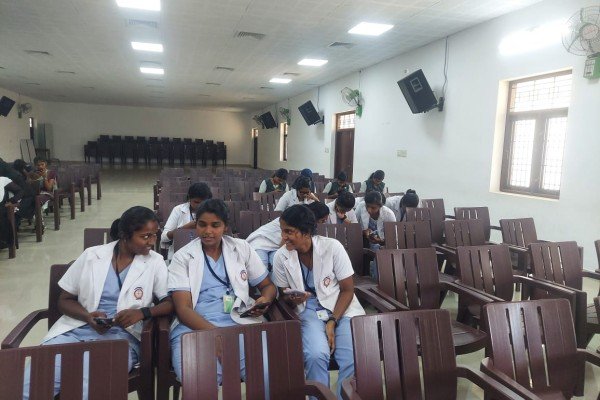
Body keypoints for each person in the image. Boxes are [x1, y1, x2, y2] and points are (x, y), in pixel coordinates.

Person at [22, 206, 173, 400]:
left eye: (155, 235)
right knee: (31, 386)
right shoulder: (92, 256)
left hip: (121, 338)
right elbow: (64, 300)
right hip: (75, 332)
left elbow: (169, 303)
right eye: (145, 236)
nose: (152, 241)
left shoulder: (155, 262)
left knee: (88, 388)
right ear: (124, 235)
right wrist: (87, 317)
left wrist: (142, 313)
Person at [168, 199, 277, 382]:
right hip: (195, 325)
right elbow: (183, 309)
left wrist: (265, 299)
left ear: (225, 226)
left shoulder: (241, 248)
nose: (208, 231)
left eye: (215, 225)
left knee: (265, 375)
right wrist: (215, 334)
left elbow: (267, 286)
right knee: (199, 381)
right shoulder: (183, 257)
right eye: (202, 224)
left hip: (240, 320)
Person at [272, 205, 365, 398]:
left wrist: (332, 321)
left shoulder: (332, 247)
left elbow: (348, 290)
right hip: (307, 309)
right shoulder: (281, 256)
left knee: (352, 356)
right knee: (315, 355)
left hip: (340, 306)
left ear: (306, 232)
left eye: (289, 231)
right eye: (282, 231)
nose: (283, 237)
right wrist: (292, 299)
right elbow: (283, 294)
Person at [247, 202, 330, 271]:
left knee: (277, 268)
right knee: (261, 270)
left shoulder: (303, 221)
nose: (324, 222)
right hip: (261, 243)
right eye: (322, 220)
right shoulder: (294, 220)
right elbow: (283, 246)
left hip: (275, 247)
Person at [160, 182, 212, 261]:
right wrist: (185, 228)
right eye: (196, 202)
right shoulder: (178, 210)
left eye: (203, 202)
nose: (200, 206)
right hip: (180, 254)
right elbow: (164, 238)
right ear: (189, 199)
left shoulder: (213, 212)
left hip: (206, 255)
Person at [355, 191, 396, 279]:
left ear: (380, 206)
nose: (369, 210)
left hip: (381, 244)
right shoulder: (361, 207)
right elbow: (354, 227)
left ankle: (376, 279)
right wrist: (363, 232)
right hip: (363, 240)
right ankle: (362, 275)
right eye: (367, 206)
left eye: (373, 208)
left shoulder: (389, 215)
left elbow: (392, 240)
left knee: (379, 252)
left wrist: (380, 242)